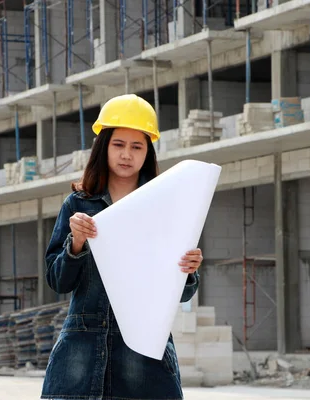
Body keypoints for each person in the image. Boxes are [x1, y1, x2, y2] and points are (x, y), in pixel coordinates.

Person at [41, 94, 203, 400]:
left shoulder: (165, 207)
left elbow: (181, 294)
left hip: (143, 354)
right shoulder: (78, 204)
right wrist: (76, 244)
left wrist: (188, 270)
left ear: (147, 152)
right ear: (104, 148)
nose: (126, 154)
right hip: (82, 352)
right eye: (119, 144)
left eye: (136, 146)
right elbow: (58, 281)